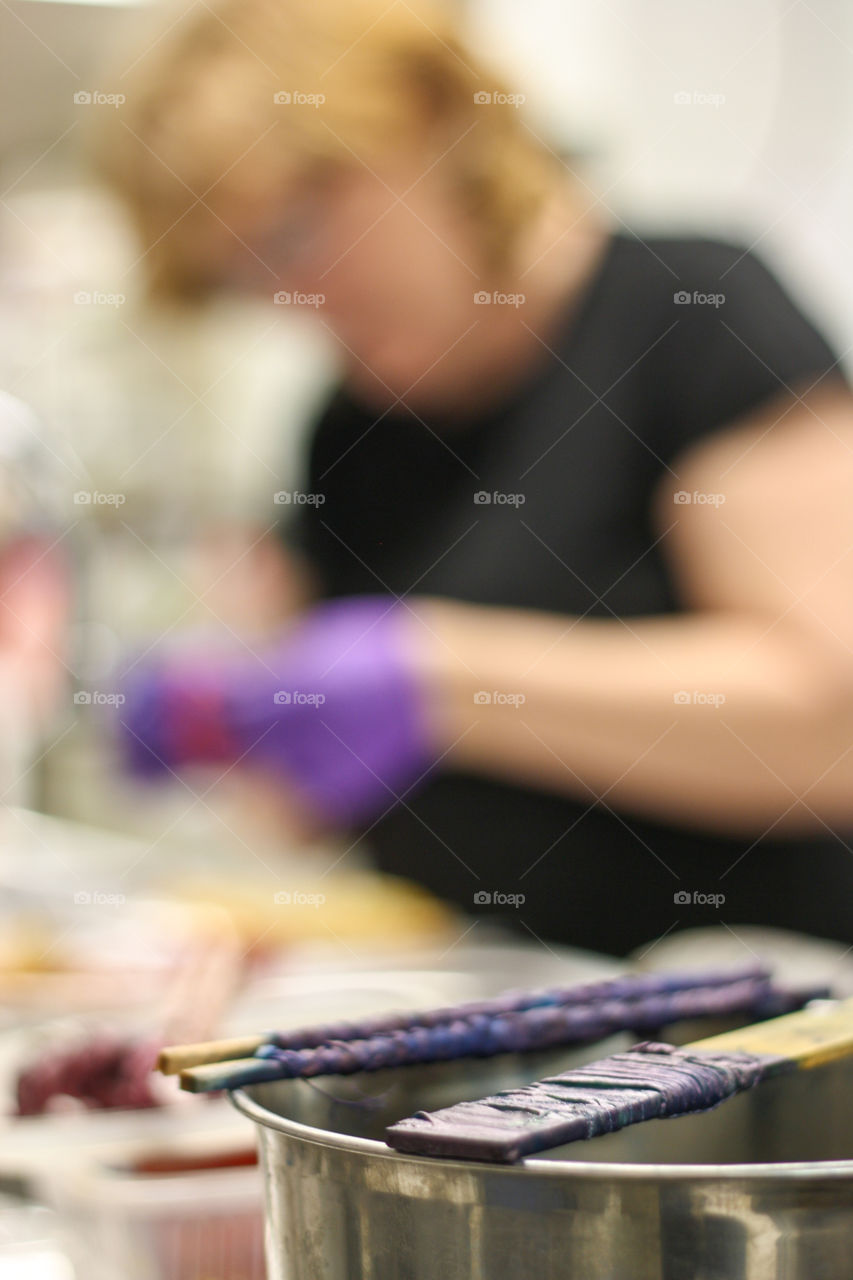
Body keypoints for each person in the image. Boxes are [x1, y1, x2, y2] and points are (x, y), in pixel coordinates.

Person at [102, 0, 853, 956]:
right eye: (242, 279)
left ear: (432, 122)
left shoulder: (695, 314)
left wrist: (445, 678)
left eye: (293, 234)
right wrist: (243, 726)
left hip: (747, 1012)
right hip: (473, 1010)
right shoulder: (346, 431)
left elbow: (831, 723)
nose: (292, 303)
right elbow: (327, 818)